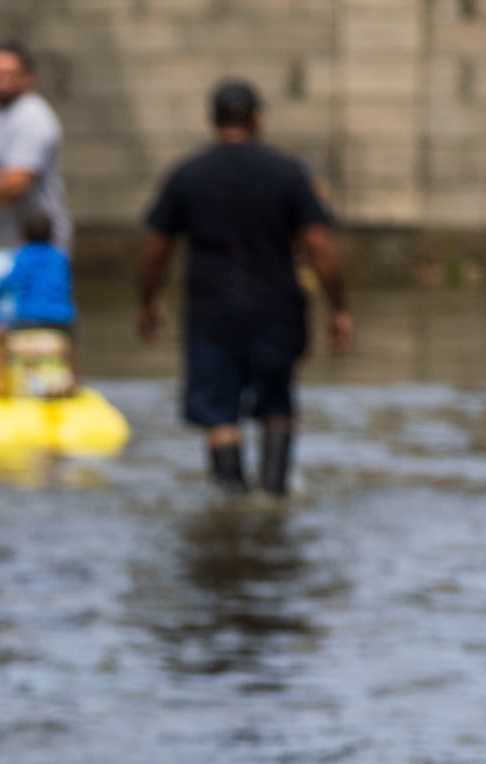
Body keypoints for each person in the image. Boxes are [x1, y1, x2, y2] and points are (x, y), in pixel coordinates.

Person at [136, 77, 353, 496]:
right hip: (278, 311)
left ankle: (233, 505)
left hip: (211, 314)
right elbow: (319, 245)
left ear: (211, 120)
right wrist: (340, 307)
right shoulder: (288, 173)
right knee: (277, 405)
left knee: (219, 417)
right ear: (258, 119)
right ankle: (273, 498)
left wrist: (147, 302)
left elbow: (155, 249)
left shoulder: (188, 175)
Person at [0, 42, 69, 252]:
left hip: (34, 245)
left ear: (29, 78)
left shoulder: (31, 115)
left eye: (8, 73)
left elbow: (16, 181)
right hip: (4, 241)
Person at [0, 207, 78, 397]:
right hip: (63, 321)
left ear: (23, 234)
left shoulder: (23, 256)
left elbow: (6, 285)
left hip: (30, 319)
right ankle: (73, 383)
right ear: (51, 234)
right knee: (72, 344)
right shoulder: (61, 258)